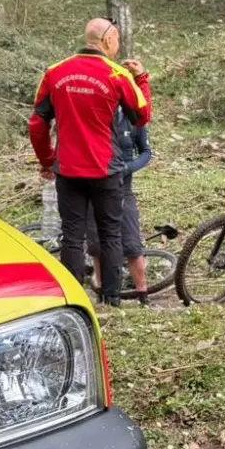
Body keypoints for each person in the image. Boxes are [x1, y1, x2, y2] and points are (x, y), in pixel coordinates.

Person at [29, 19, 151, 307]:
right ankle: (111, 299)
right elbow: (142, 116)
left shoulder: (55, 72)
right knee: (110, 234)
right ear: (108, 40)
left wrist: (47, 159)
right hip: (105, 170)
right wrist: (143, 79)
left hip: (68, 170)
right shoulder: (118, 74)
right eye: (118, 39)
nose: (118, 45)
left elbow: (37, 123)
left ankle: (74, 301)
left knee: (72, 235)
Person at [86, 118, 153, 304]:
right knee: (97, 244)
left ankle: (143, 295)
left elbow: (146, 152)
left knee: (132, 243)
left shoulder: (133, 118)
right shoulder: (96, 114)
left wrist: (128, 167)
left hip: (124, 185)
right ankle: (101, 291)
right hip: (96, 184)